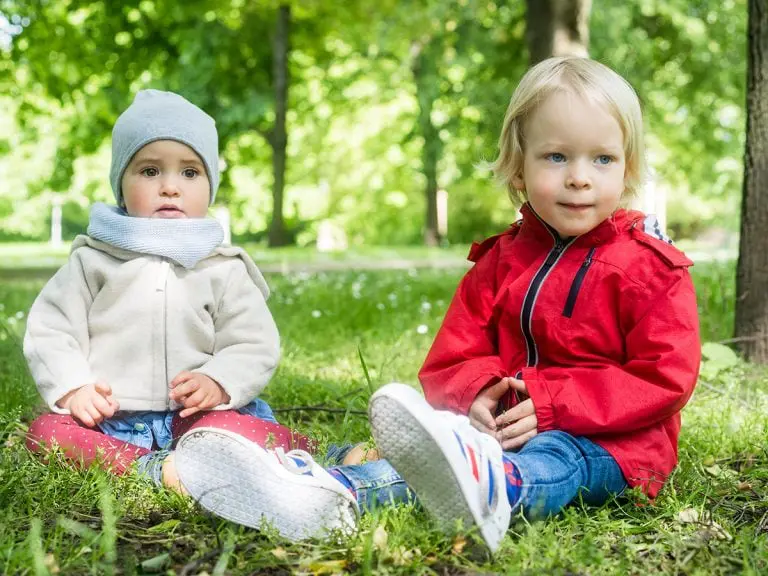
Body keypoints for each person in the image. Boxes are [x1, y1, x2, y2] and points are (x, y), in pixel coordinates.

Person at [168, 55, 701, 551]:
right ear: (519, 167)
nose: (579, 176)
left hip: (612, 446)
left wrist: (554, 403)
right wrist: (480, 397)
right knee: (437, 456)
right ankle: (327, 487)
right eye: (556, 156)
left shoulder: (649, 268)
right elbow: (451, 360)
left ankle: (496, 489)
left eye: (601, 158)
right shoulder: (501, 261)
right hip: (499, 432)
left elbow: (665, 376)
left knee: (553, 459)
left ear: (627, 169)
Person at [23, 90, 365, 540]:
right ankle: (151, 469)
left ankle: (321, 452)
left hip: (196, 415)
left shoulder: (222, 266)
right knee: (45, 432)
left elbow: (252, 341)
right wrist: (73, 387)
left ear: (210, 186)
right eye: (149, 170)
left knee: (233, 430)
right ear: (121, 186)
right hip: (110, 419)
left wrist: (219, 380)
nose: (170, 185)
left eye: (190, 171)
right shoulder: (92, 261)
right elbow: (51, 330)